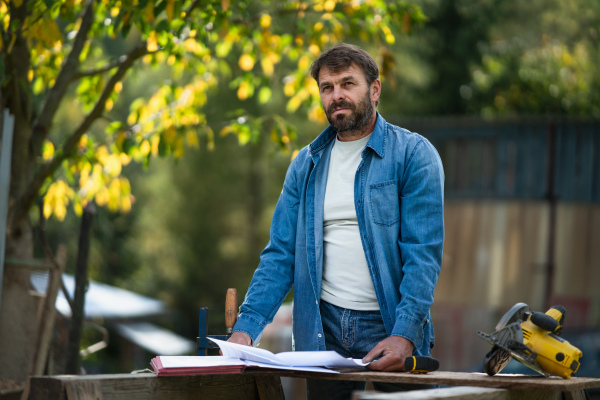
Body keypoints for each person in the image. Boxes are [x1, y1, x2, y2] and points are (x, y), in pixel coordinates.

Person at [228, 43, 444, 399]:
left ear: (374, 89)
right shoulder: (306, 164)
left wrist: (405, 334)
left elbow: (423, 256)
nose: (337, 96)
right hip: (322, 329)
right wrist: (246, 329)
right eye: (327, 88)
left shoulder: (413, 155)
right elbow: (281, 255)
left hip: (390, 322)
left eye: (347, 84)